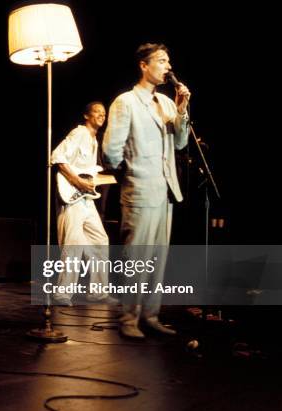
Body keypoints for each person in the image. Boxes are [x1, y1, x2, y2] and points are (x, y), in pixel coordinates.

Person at [102, 43, 191, 338]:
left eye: (168, 61)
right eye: (162, 61)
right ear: (144, 65)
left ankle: (150, 316)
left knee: (157, 259)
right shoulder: (125, 102)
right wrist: (129, 173)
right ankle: (129, 319)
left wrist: (181, 109)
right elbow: (111, 150)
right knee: (136, 257)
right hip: (140, 188)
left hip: (165, 190)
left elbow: (179, 144)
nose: (168, 67)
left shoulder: (166, 103)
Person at [52, 102, 119, 306]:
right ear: (86, 115)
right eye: (97, 112)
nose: (101, 115)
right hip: (72, 194)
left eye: (104, 113)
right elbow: (57, 157)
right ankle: (62, 294)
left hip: (86, 198)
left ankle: (97, 292)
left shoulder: (94, 141)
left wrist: (92, 180)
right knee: (73, 243)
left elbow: (88, 171)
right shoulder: (79, 133)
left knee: (100, 240)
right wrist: (77, 181)